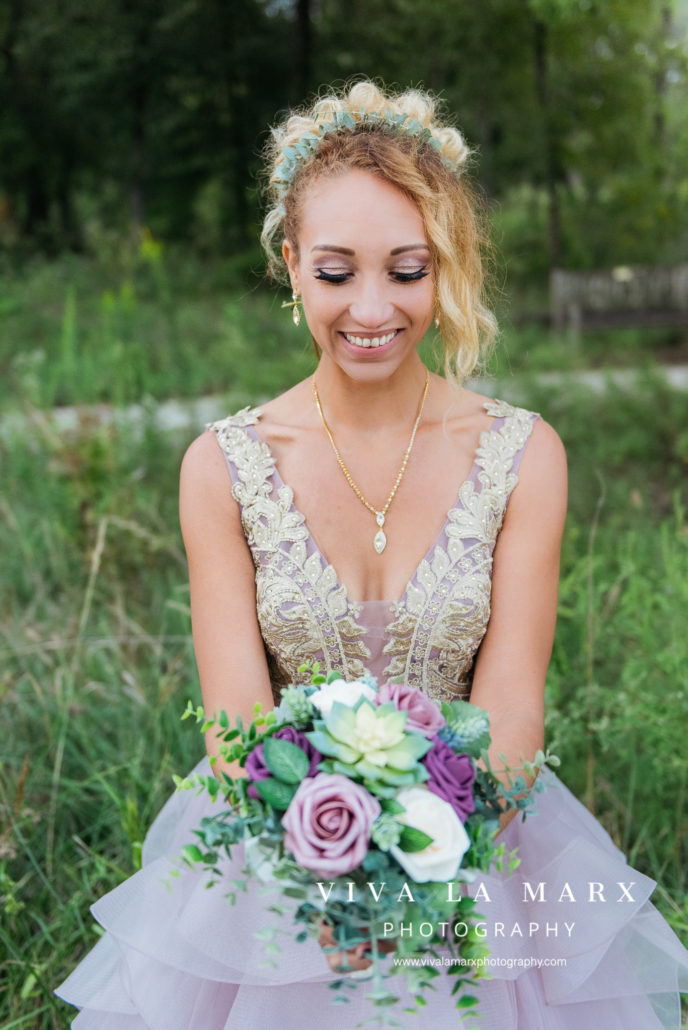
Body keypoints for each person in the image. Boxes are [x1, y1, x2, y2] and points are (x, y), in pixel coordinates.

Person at [56, 80, 688, 1029]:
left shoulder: (525, 454)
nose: (371, 309)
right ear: (289, 265)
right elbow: (236, 731)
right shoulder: (221, 467)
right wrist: (337, 873)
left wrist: (425, 868)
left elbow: (513, 708)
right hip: (275, 855)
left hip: (479, 850)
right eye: (336, 271)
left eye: (407, 269)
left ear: (447, 267)